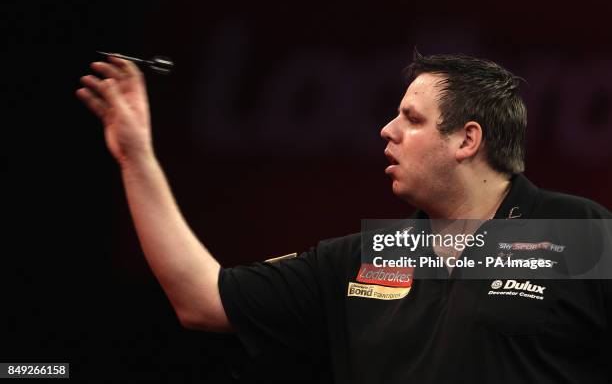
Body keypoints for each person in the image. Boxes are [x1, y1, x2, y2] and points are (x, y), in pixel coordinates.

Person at [77, 51, 612, 383]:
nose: (387, 130)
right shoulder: (371, 257)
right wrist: (136, 157)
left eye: (411, 118)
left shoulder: (575, 233)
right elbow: (202, 299)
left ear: (466, 140)